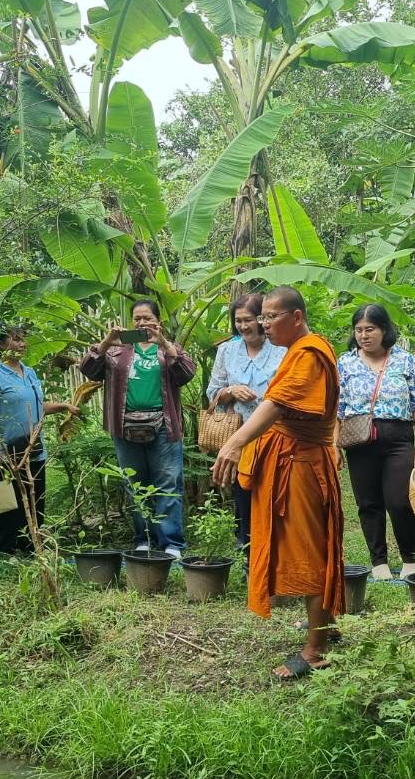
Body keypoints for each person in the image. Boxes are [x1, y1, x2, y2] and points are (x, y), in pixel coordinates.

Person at [211, 287, 344, 680]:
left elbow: (277, 403)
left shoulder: (308, 352)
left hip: (302, 464)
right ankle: (325, 626)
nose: (264, 325)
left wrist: (235, 443)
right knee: (305, 545)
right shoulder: (300, 352)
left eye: (271, 317)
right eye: (262, 318)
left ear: (297, 317)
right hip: (293, 459)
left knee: (308, 550)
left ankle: (316, 650)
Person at [79, 300, 197, 557]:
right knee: (135, 484)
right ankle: (143, 538)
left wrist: (165, 345)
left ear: (158, 321)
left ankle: (171, 544)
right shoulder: (118, 351)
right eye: (137, 319)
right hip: (125, 427)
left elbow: (187, 374)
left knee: (167, 484)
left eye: (147, 318)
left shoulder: (170, 349)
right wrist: (107, 342)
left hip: (164, 427)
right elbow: (88, 369)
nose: (142, 323)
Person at [337, 304, 415, 580]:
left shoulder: (404, 360)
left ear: (384, 330)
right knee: (368, 502)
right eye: (359, 330)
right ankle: (379, 562)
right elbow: (338, 407)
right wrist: (333, 446)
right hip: (358, 439)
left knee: (400, 500)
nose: (364, 335)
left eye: (370, 329)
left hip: (398, 438)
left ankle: (410, 559)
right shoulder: (345, 362)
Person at [0, 324, 73, 554]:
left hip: (34, 448)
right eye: (15, 339)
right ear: (1, 344)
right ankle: (4, 551)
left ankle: (31, 547)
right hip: (6, 450)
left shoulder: (29, 372)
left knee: (35, 499)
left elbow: (38, 406)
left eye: (23, 339)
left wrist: (63, 406)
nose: (22, 343)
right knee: (6, 504)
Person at [206, 291, 285, 554]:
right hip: (238, 434)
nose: (243, 326)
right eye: (238, 320)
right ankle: (248, 551)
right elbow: (213, 391)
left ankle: (276, 550)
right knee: (244, 492)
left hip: (275, 432)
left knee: (275, 492)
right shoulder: (227, 350)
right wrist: (231, 390)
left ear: (262, 319)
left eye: (249, 319)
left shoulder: (282, 349)